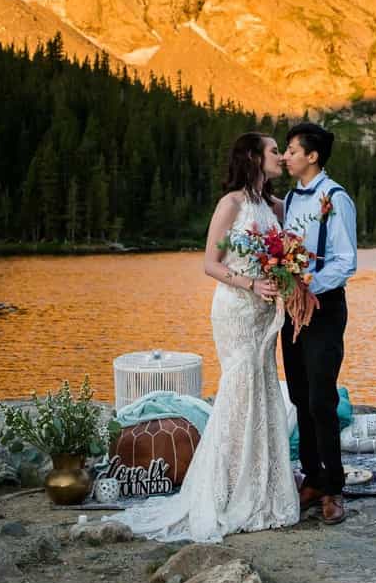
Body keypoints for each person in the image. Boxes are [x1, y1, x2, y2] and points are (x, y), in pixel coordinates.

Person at [111, 133, 300, 542]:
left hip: (267, 313)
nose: (280, 158)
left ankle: (265, 487)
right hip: (236, 309)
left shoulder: (277, 207)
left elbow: (289, 251)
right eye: (272, 151)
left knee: (264, 389)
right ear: (253, 157)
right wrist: (251, 284)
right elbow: (210, 264)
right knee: (238, 387)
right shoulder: (230, 204)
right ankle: (225, 488)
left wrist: (285, 279)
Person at [280, 122, 357, 525]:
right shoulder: (292, 197)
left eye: (292, 149)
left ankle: (334, 488)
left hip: (324, 308)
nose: (285, 155)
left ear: (313, 156)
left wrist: (312, 288)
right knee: (298, 393)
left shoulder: (336, 197)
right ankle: (311, 477)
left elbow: (347, 261)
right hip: (293, 309)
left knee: (321, 399)